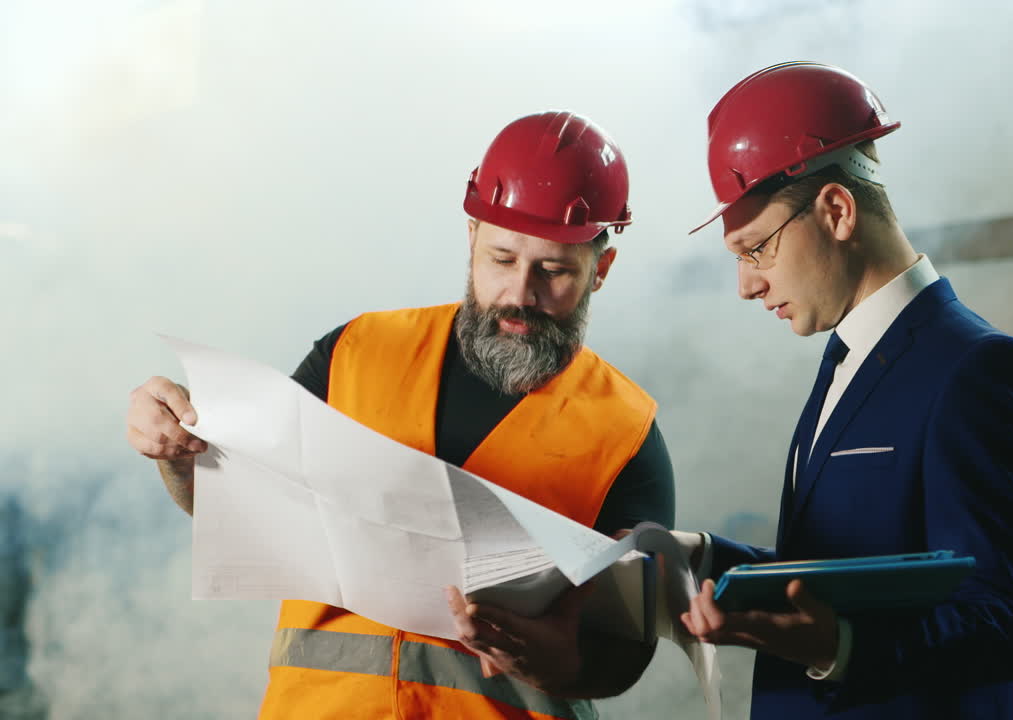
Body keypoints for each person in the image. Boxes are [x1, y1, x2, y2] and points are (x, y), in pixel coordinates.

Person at [125, 110, 674, 720]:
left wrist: (553, 663)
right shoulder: (356, 353)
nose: (521, 293)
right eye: (501, 259)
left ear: (601, 269)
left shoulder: (626, 435)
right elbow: (239, 503)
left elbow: (624, 654)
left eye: (553, 271)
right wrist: (177, 454)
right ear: (471, 238)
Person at [677, 61, 1013, 719]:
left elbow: (1003, 619)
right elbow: (842, 569)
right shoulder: (846, 357)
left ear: (835, 209)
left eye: (757, 249)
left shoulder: (976, 372)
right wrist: (703, 557)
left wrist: (842, 648)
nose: (745, 284)